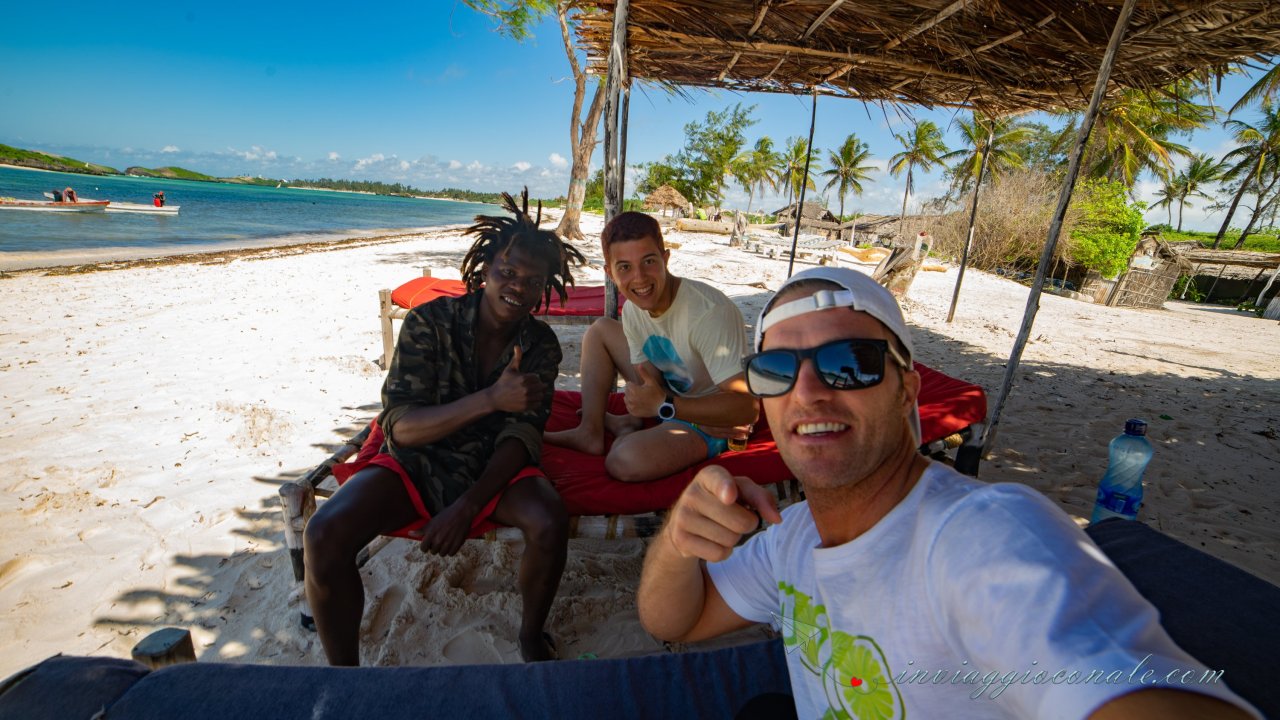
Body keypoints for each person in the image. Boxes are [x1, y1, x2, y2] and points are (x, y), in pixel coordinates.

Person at [637, 266, 1259, 719]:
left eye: (850, 363)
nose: (808, 392)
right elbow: (674, 619)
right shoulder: (791, 536)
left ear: (906, 392)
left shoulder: (981, 535)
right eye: (776, 371)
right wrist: (678, 540)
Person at [304, 189, 585, 665]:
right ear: (485, 269)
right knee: (323, 534)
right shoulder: (429, 323)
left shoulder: (540, 345)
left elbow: (522, 437)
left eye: (533, 281)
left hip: (494, 465)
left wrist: (467, 505)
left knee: (549, 520)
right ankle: (343, 675)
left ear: (544, 289)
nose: (517, 287)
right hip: (416, 460)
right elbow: (401, 429)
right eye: (508, 272)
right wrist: (491, 399)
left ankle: (530, 636)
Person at [543, 211, 757, 482]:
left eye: (649, 261)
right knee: (600, 330)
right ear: (610, 273)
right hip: (670, 402)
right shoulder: (633, 310)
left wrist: (669, 406)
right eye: (625, 267)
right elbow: (649, 381)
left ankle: (631, 426)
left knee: (623, 460)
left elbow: (747, 407)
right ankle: (590, 432)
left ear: (665, 259)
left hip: (712, 421)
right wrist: (657, 401)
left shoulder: (708, 312)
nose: (640, 278)